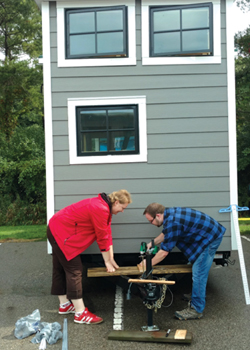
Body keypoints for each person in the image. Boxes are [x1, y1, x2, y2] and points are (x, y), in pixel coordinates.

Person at [47, 190, 132, 325]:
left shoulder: (103, 207)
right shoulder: (101, 208)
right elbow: (102, 237)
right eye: (122, 208)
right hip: (61, 232)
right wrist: (106, 262)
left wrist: (111, 259)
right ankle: (80, 313)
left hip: (56, 227)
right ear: (116, 202)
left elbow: (107, 233)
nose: (122, 211)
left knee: (60, 268)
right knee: (74, 270)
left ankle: (64, 305)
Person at [141, 203, 226, 320]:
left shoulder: (173, 222)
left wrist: (146, 264)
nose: (151, 223)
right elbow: (166, 233)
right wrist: (152, 244)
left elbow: (164, 252)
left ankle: (196, 309)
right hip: (206, 234)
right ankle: (197, 294)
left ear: (158, 215)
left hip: (210, 238)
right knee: (197, 267)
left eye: (151, 221)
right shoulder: (169, 215)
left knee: (199, 273)